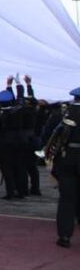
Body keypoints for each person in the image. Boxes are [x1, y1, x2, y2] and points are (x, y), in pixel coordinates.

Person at [46, 87, 80, 247]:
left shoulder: (63, 114)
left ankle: (65, 236)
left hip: (67, 159)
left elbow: (51, 135)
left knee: (66, 199)